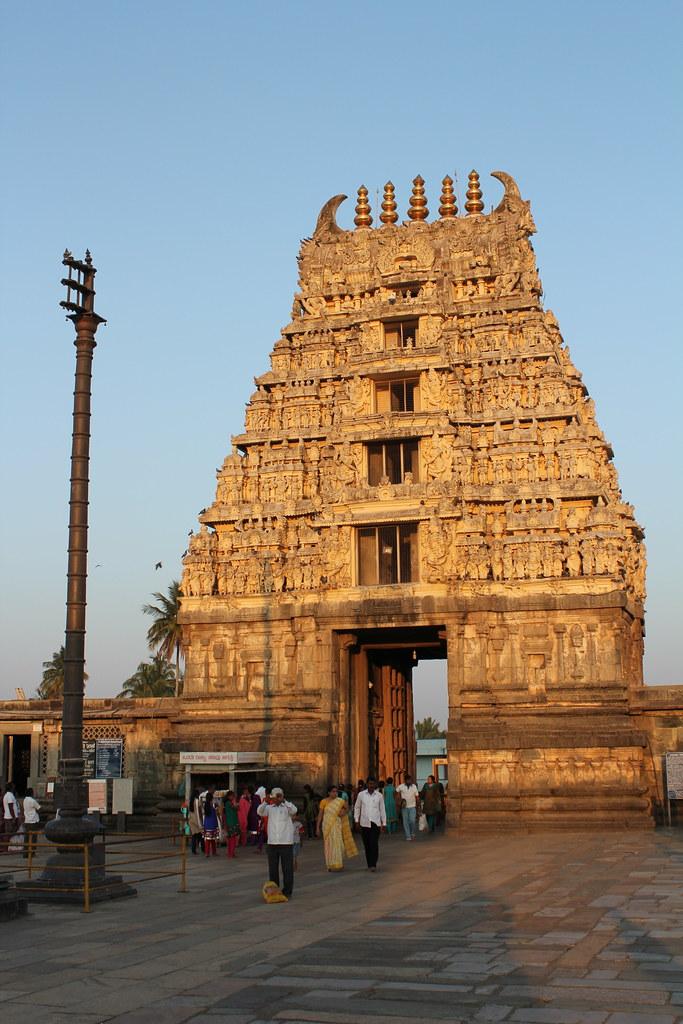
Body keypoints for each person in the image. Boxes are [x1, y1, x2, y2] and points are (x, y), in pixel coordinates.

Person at [257, 786, 297, 899]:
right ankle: (274, 889)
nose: (276, 799)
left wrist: (284, 801)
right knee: (273, 869)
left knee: (287, 869)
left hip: (286, 842)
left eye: (278, 797)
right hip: (273, 843)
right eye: (275, 797)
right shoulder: (269, 808)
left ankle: (287, 891)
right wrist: (265, 801)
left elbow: (295, 810)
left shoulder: (287, 807)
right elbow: (259, 812)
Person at [316, 784, 358, 871]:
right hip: (327, 825)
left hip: (337, 825)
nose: (335, 793)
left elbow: (347, 808)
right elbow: (320, 815)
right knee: (328, 845)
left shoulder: (340, 801)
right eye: (333, 792)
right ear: (328, 792)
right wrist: (317, 827)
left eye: (336, 792)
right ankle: (330, 864)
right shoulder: (323, 801)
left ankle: (338, 863)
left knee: (338, 843)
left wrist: (343, 812)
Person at [353, 776, 386, 871]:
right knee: (367, 844)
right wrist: (356, 820)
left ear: (375, 784)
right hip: (364, 823)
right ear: (367, 784)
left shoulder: (379, 795)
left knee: (373, 843)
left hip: (375, 823)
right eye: (370, 784)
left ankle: (373, 864)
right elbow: (357, 807)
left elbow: (382, 809)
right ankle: (369, 863)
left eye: (373, 784)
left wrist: (383, 823)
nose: (371, 785)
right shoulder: (361, 795)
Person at [396, 773, 420, 841]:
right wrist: (399, 800)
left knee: (412, 820)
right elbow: (396, 792)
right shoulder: (401, 786)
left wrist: (418, 805)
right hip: (404, 807)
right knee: (405, 821)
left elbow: (417, 796)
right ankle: (408, 835)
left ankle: (412, 832)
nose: (409, 781)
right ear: (405, 780)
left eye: (410, 780)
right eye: (408, 780)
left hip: (412, 806)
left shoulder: (414, 786)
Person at [22, 788, 41, 860]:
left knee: (26, 838)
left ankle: (25, 852)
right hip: (33, 821)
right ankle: (32, 853)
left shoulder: (25, 800)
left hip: (27, 820)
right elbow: (39, 808)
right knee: (33, 838)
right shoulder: (32, 801)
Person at [0, 782, 19, 854]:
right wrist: (14, 817)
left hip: (8, 816)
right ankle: (5, 848)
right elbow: (11, 807)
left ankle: (6, 847)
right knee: (9, 833)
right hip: (10, 817)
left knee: (8, 833)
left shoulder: (6, 795)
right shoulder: (10, 795)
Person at [222, 790, 240, 858]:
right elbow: (237, 808)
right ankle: (231, 853)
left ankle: (230, 853)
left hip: (229, 822)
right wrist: (235, 802)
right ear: (229, 796)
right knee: (232, 839)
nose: (234, 797)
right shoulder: (229, 803)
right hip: (232, 822)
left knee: (230, 839)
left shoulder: (227, 803)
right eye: (233, 795)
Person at [202, 791, 220, 856]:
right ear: (212, 798)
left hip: (206, 824)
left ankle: (207, 853)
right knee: (213, 840)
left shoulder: (205, 805)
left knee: (208, 840)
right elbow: (216, 814)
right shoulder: (213, 805)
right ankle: (214, 852)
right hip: (213, 824)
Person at [188, 788, 204, 854]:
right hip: (197, 820)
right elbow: (200, 811)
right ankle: (203, 848)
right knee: (201, 835)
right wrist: (202, 820)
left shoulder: (190, 801)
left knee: (194, 836)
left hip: (191, 820)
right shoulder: (198, 801)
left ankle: (193, 850)